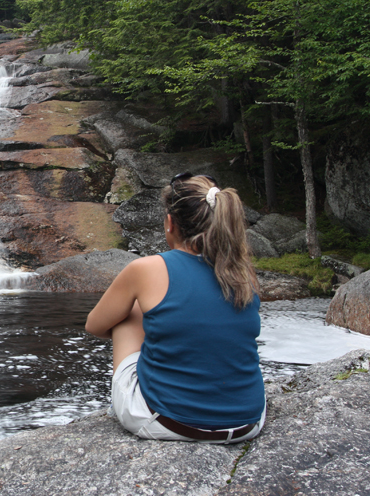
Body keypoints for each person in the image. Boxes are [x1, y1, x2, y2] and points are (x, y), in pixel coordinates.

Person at [85, 173, 265, 443]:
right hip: (246, 423)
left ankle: (145, 393)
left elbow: (95, 325)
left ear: (170, 223)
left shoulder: (145, 269)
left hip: (170, 423)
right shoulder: (242, 272)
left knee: (130, 313)